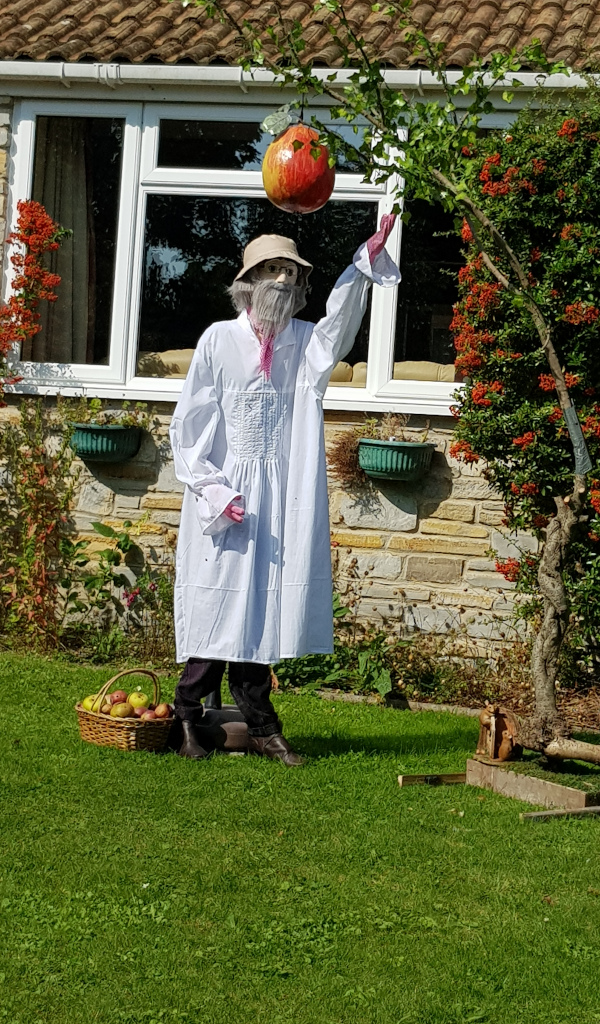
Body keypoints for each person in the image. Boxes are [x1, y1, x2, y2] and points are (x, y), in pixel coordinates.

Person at [169, 215, 400, 763]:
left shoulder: (304, 344)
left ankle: (262, 727)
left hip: (280, 499)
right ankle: (186, 717)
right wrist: (212, 489)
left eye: (289, 273)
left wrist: (361, 267)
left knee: (261, 612)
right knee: (216, 605)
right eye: (270, 270)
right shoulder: (218, 340)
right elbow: (190, 424)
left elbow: (339, 326)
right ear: (248, 281)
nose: (280, 280)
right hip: (225, 497)